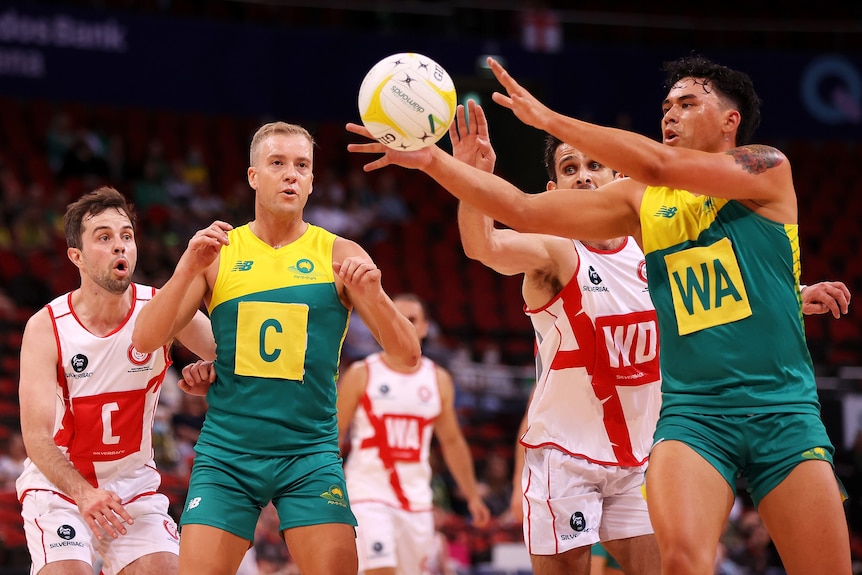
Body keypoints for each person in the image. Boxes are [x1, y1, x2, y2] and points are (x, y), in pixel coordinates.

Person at [346, 55, 853, 574]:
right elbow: (519, 211)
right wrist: (433, 162)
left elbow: (663, 171)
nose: (670, 115)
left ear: (730, 121)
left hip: (780, 407)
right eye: (665, 107)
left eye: (687, 103)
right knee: (678, 564)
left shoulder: (766, 166)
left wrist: (549, 119)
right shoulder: (641, 202)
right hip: (692, 416)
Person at [131, 121, 422, 575]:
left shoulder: (341, 254)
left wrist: (378, 295)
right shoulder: (220, 251)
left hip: (309, 453)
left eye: (301, 166)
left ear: (311, 181)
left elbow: (407, 357)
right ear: (253, 176)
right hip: (228, 452)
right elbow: (144, 339)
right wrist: (187, 268)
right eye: (278, 163)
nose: (291, 174)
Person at [452, 101, 661, 575]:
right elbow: (482, 246)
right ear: (554, 190)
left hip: (638, 460)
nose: (583, 176)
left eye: (594, 165)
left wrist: (796, 291)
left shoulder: (653, 250)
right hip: (566, 457)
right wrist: (473, 179)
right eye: (570, 168)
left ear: (618, 180)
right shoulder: (555, 252)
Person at [16, 186, 216, 575]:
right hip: (59, 487)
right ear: (76, 255)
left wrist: (210, 375)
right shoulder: (46, 327)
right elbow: (37, 437)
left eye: (126, 236)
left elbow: (231, 358)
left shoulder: (162, 309)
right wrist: (83, 493)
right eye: (104, 238)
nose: (120, 246)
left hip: (132, 485)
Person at [337, 292, 490, 575]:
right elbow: (334, 435)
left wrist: (472, 495)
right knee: (379, 569)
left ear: (424, 327)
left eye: (411, 319)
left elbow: (452, 441)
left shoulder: (438, 379)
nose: (402, 324)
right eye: (395, 316)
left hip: (417, 499)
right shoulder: (361, 373)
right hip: (367, 491)